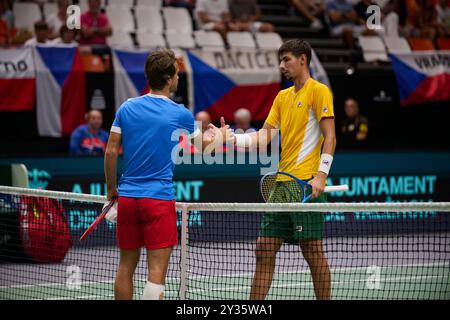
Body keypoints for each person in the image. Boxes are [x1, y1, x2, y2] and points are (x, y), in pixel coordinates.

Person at [104, 49, 231, 300]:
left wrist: (111, 189)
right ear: (169, 78)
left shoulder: (127, 107)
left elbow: (110, 152)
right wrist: (222, 136)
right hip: (158, 200)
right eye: (177, 73)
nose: (178, 77)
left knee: (125, 267)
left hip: (128, 200)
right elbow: (204, 149)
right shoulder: (180, 113)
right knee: (156, 274)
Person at [221, 39, 336, 300]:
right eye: (281, 60)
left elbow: (330, 137)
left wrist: (321, 174)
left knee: (312, 251)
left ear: (303, 60)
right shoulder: (282, 97)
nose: (281, 65)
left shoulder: (319, 91)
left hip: (306, 183)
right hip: (282, 185)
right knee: (264, 248)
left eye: (286, 59)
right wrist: (232, 139)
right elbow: (263, 137)